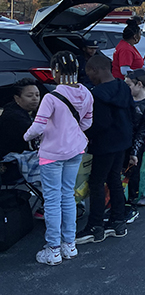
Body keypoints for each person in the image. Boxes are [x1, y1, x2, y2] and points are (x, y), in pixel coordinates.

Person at [22, 51, 93, 265]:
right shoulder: (87, 94)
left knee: (52, 200)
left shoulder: (51, 97)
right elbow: (87, 123)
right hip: (75, 151)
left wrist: (25, 136)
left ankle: (52, 248)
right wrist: (72, 132)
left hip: (52, 155)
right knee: (68, 196)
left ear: (56, 71)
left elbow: (38, 127)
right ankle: (69, 245)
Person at [77, 54, 134, 244]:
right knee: (114, 179)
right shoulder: (123, 87)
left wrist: (84, 134)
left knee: (96, 182)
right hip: (123, 141)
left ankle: (95, 226)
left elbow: (100, 123)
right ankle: (117, 222)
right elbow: (132, 112)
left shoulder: (97, 95)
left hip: (104, 144)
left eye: (89, 72)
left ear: (95, 70)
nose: (89, 77)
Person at [123, 69, 145, 222]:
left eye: (129, 85)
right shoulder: (126, 100)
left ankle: (131, 205)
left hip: (134, 146)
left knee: (132, 176)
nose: (126, 88)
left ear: (139, 84)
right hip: (121, 144)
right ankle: (118, 204)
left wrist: (134, 152)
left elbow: (142, 133)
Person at [0, 78, 40, 158]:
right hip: (12, 159)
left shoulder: (32, 112)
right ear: (17, 98)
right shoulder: (13, 116)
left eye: (37, 95)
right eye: (29, 95)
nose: (35, 98)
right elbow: (36, 132)